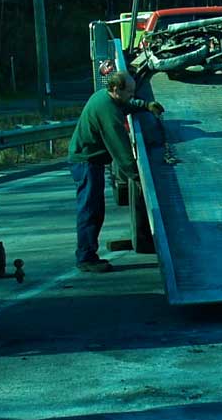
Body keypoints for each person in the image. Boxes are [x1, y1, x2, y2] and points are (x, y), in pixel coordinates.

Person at [67, 71, 163, 274]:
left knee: (95, 209)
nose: (132, 94)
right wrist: (139, 177)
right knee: (90, 210)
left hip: (90, 161)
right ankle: (86, 258)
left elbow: (126, 104)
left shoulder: (107, 97)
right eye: (129, 91)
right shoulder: (107, 112)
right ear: (115, 89)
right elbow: (121, 150)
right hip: (86, 162)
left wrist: (145, 105)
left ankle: (87, 254)